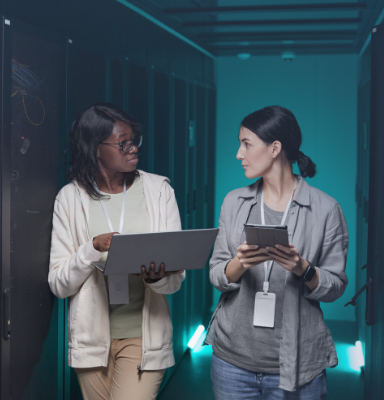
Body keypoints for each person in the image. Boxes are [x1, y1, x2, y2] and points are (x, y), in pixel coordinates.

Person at [204, 106, 349, 399]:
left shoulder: (325, 209)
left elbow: (335, 287)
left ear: (275, 148)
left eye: (246, 144)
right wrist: (238, 264)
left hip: (297, 364)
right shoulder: (234, 202)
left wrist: (303, 269)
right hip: (231, 361)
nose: (238, 154)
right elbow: (216, 273)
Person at [48, 103, 185, 400]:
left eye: (134, 140)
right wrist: (92, 249)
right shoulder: (70, 199)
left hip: (144, 337)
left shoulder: (159, 191)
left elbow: (175, 280)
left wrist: (155, 278)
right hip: (91, 341)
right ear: (95, 148)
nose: (133, 148)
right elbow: (59, 284)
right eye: (123, 143)